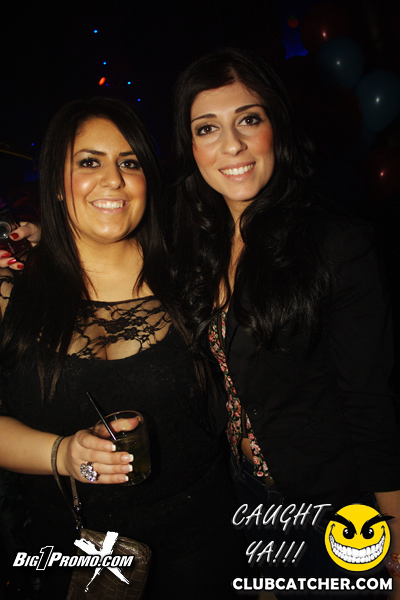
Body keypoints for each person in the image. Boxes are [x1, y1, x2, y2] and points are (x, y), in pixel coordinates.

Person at [171, 48, 400, 597]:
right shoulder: (195, 245)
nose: (232, 145)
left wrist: (395, 539)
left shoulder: (336, 244)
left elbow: (372, 402)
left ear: (276, 124)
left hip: (336, 508)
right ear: (191, 145)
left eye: (249, 119)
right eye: (208, 128)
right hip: (243, 497)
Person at [0, 97, 247, 599]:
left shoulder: (196, 279)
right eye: (89, 162)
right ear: (56, 183)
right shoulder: (11, 294)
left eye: (129, 163)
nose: (113, 179)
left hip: (201, 551)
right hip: (71, 562)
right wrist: (62, 454)